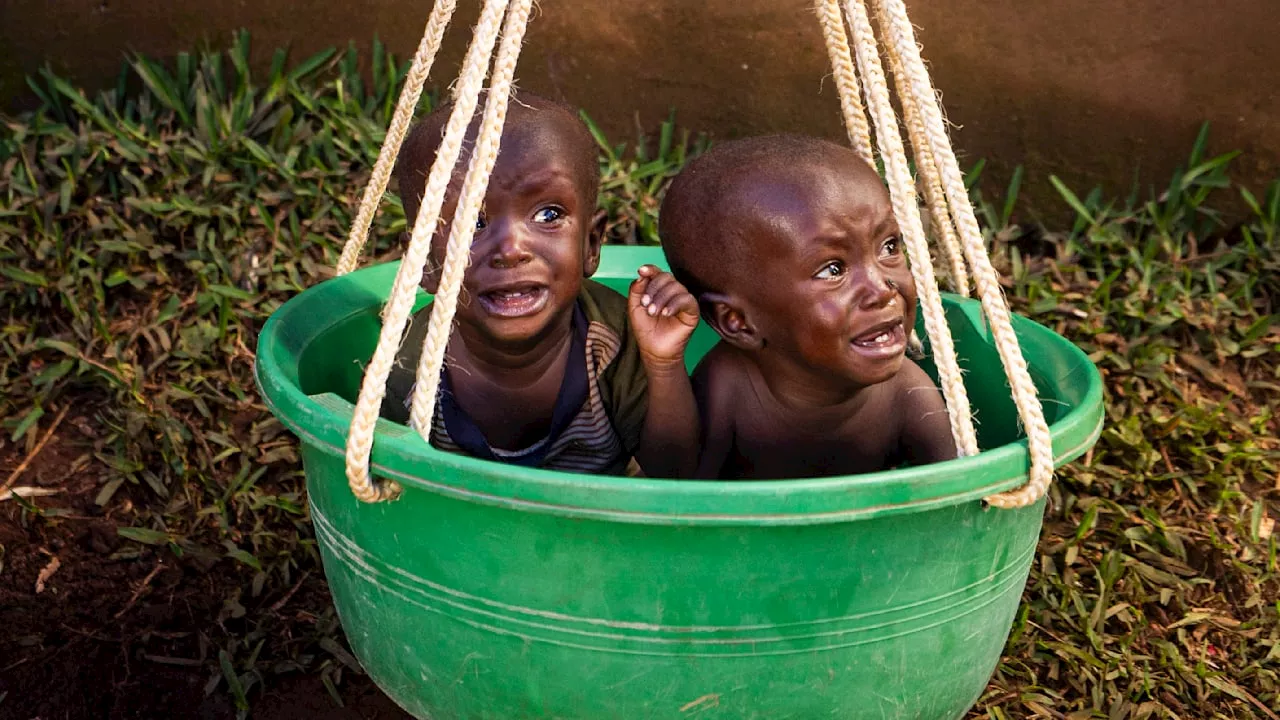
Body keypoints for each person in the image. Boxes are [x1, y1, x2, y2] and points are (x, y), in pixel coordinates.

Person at [382, 92, 699, 478]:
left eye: (548, 214)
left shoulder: (617, 337)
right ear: (425, 262)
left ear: (591, 243)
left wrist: (664, 365)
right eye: (472, 224)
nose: (512, 249)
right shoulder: (407, 363)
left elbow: (677, 475)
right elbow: (392, 483)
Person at [659, 134, 956, 479]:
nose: (882, 289)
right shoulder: (728, 389)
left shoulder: (906, 394)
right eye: (834, 270)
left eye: (888, 247)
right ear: (738, 322)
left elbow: (958, 498)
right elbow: (675, 495)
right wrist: (663, 369)